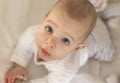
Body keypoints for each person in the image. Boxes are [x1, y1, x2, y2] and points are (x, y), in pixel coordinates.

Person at [4, 0, 97, 83]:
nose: (50, 42)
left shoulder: (66, 67)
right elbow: (23, 48)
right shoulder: (32, 34)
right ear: (45, 19)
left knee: (106, 53)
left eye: (65, 40)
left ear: (76, 48)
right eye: (49, 29)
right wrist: (19, 65)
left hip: (94, 43)